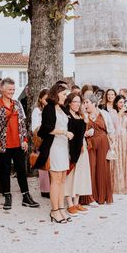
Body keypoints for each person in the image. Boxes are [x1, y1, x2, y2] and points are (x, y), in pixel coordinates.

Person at [0, 78, 39, 210]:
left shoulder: (17, 103)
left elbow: (22, 123)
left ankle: (26, 195)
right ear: (2, 89)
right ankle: (7, 195)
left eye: (13, 89)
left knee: (21, 170)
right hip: (4, 144)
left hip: (18, 143)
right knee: (4, 171)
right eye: (9, 89)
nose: (12, 92)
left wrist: (24, 140)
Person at [34, 84, 72, 223]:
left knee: (62, 180)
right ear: (56, 95)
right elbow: (44, 130)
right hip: (54, 147)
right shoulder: (49, 109)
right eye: (64, 95)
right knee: (55, 181)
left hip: (63, 146)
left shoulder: (62, 109)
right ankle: (54, 210)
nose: (66, 97)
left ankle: (62, 208)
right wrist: (63, 132)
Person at [83, 94, 114, 205]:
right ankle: (90, 197)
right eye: (84, 102)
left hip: (103, 143)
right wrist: (85, 133)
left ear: (94, 103)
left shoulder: (104, 114)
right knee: (91, 167)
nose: (85, 105)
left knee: (103, 167)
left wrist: (112, 146)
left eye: (87, 102)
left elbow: (110, 130)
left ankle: (102, 196)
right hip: (90, 144)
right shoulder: (83, 116)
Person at [64, 93, 90, 215]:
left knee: (81, 176)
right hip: (72, 149)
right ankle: (69, 203)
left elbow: (82, 133)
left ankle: (76, 202)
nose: (78, 104)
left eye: (79, 102)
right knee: (70, 176)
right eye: (75, 101)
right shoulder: (67, 116)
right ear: (69, 102)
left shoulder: (80, 115)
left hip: (82, 148)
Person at [110, 95, 127, 194]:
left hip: (126, 139)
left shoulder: (126, 114)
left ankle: (126, 184)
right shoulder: (113, 112)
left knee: (126, 160)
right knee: (118, 160)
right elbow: (114, 123)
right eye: (120, 102)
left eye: (123, 102)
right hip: (117, 139)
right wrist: (121, 112)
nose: (122, 104)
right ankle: (118, 185)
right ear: (116, 103)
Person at [31, 89, 50, 199]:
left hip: (50, 139)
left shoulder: (51, 109)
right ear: (40, 99)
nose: (47, 101)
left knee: (50, 163)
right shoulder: (37, 111)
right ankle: (44, 189)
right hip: (41, 139)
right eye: (45, 99)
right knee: (43, 162)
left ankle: (50, 187)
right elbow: (34, 128)